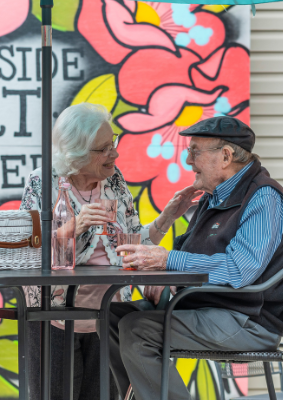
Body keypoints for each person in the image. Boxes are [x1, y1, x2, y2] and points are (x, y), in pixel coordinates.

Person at [109, 116, 283, 400]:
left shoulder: (263, 197)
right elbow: (189, 256)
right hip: (207, 308)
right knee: (110, 316)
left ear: (225, 156)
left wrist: (167, 261)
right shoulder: (214, 198)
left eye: (195, 150)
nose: (187, 160)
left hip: (247, 320)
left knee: (137, 330)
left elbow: (239, 270)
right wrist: (166, 281)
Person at [19, 102, 199, 400]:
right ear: (76, 152)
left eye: (113, 143)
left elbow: (131, 242)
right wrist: (72, 228)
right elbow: (28, 250)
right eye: (103, 148)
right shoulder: (44, 182)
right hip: (53, 315)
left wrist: (166, 218)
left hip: (109, 314)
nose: (114, 153)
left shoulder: (114, 181)